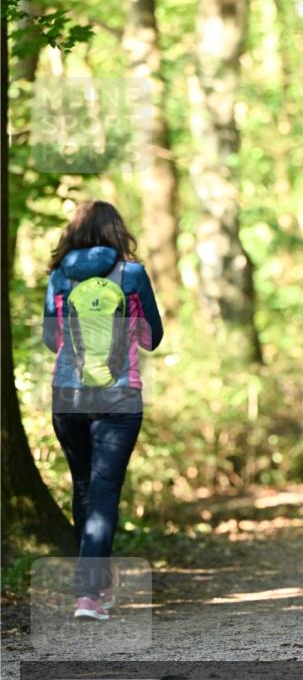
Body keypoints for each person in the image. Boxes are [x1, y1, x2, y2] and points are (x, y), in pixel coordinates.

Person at [42, 200, 163, 620]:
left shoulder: (59, 276)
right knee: (105, 491)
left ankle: (96, 587)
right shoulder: (131, 274)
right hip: (118, 395)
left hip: (68, 396)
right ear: (117, 232)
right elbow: (153, 338)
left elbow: (50, 338)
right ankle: (88, 593)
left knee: (83, 488)